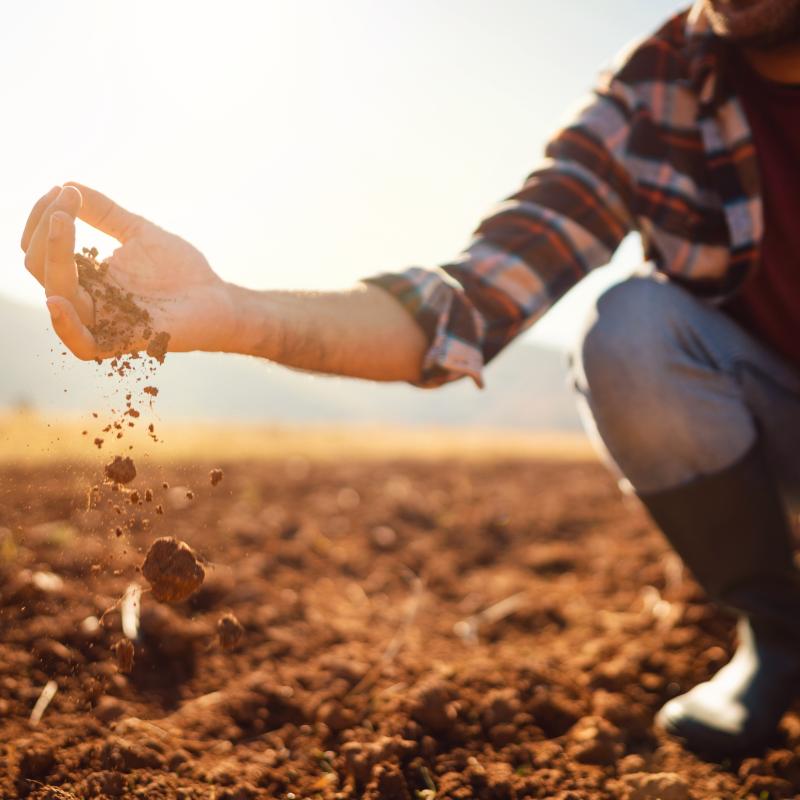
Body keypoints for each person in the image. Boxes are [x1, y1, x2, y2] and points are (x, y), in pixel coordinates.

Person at [21, 0, 800, 757]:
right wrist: (233, 311)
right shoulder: (653, 91)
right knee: (630, 332)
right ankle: (778, 633)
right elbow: (471, 301)